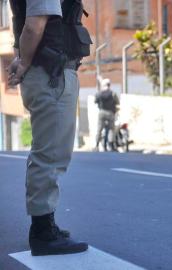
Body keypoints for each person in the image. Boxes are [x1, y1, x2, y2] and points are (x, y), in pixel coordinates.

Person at [7, 0, 90, 256]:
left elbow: (25, 22)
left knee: (51, 152)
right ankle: (42, 232)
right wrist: (22, 62)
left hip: (47, 73)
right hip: (50, 75)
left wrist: (22, 58)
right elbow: (34, 25)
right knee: (49, 154)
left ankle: (46, 224)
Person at [95, 77, 120, 151]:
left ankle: (96, 144)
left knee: (99, 129)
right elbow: (117, 102)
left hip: (102, 113)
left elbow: (95, 100)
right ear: (109, 85)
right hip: (110, 113)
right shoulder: (113, 93)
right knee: (112, 129)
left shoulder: (100, 93)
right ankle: (111, 144)